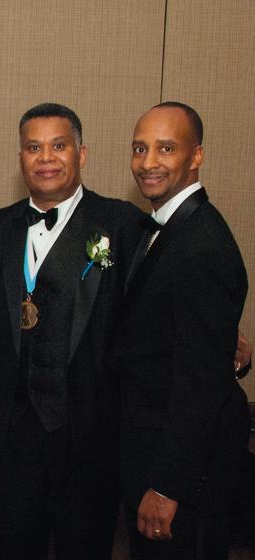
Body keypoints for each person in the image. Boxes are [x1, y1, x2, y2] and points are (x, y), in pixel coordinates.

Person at [0, 103, 143, 559]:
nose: (45, 157)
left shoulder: (121, 224)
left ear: (81, 154)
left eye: (58, 146)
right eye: (33, 148)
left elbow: (154, 304)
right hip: (12, 433)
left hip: (89, 432)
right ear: (21, 158)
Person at [112, 102, 249, 560]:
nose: (148, 162)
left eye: (166, 148)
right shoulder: (166, 227)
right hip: (150, 446)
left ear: (196, 156)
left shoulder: (201, 244)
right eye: (140, 149)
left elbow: (200, 385)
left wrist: (168, 487)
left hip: (178, 468)